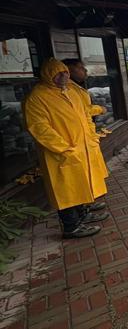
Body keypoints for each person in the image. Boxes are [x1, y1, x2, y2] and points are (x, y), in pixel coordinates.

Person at [23, 58, 109, 238]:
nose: (63, 76)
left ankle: (83, 215)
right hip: (60, 153)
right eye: (58, 73)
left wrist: (91, 137)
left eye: (65, 72)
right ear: (48, 75)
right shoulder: (38, 97)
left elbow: (84, 116)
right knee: (66, 191)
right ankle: (71, 227)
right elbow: (39, 128)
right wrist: (63, 148)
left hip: (81, 148)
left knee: (79, 185)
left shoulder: (71, 92)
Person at [61, 58, 110, 213]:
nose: (85, 71)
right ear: (70, 70)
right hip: (76, 141)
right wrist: (100, 109)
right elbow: (83, 111)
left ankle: (87, 201)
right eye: (81, 68)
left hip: (85, 137)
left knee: (88, 172)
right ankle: (83, 207)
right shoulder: (69, 90)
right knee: (81, 174)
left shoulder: (74, 88)